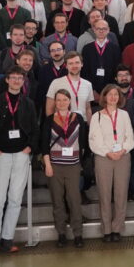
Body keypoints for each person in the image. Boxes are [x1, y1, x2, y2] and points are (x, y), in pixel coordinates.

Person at [0, 67, 38, 254]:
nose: (16, 81)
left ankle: (7, 238)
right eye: (13, 77)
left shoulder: (28, 103)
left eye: (19, 78)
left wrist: (30, 146)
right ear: (7, 80)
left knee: (15, 198)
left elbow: (34, 127)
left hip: (22, 153)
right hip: (1, 153)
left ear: (23, 81)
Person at [39, 89, 88, 248]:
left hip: (73, 166)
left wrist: (81, 162)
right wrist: (47, 164)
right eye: (58, 100)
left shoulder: (78, 118)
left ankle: (78, 234)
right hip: (55, 166)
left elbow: (83, 142)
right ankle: (61, 233)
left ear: (69, 101)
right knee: (58, 201)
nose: (61, 102)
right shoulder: (48, 120)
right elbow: (44, 144)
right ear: (55, 102)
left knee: (74, 200)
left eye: (64, 99)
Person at [90, 85, 134, 242]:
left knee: (121, 194)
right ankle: (106, 230)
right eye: (110, 94)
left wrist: (122, 150)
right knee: (104, 194)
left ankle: (117, 229)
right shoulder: (97, 116)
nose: (113, 97)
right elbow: (94, 139)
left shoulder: (124, 115)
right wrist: (107, 153)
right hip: (104, 158)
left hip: (123, 157)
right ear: (104, 97)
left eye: (116, 94)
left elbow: (130, 136)